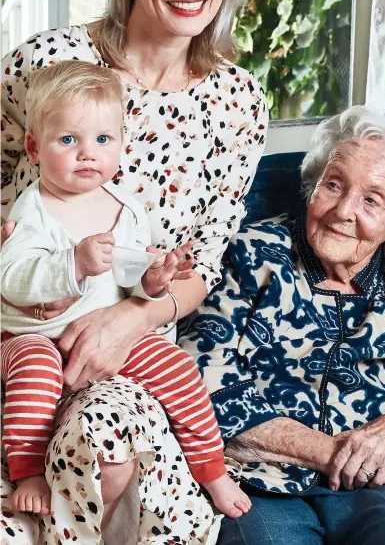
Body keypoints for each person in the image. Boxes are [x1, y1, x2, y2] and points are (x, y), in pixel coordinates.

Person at [0, 0, 267, 543]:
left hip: (135, 339)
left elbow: (199, 263)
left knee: (108, 449)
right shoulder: (47, 62)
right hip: (20, 324)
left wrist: (127, 319)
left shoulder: (237, 101)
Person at [179, 106, 385, 545]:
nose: (343, 211)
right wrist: (336, 453)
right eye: (334, 185)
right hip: (258, 483)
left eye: (371, 200)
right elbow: (198, 384)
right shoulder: (250, 255)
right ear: (312, 188)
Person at [1, 60, 252, 521]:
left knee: (175, 365)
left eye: (102, 140)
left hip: (109, 336)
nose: (87, 153)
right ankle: (27, 468)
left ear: (123, 144)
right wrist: (71, 262)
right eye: (68, 140)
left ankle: (211, 466)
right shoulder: (33, 208)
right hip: (32, 336)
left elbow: (130, 277)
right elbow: (12, 278)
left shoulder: (127, 209)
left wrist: (154, 281)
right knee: (35, 371)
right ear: (35, 148)